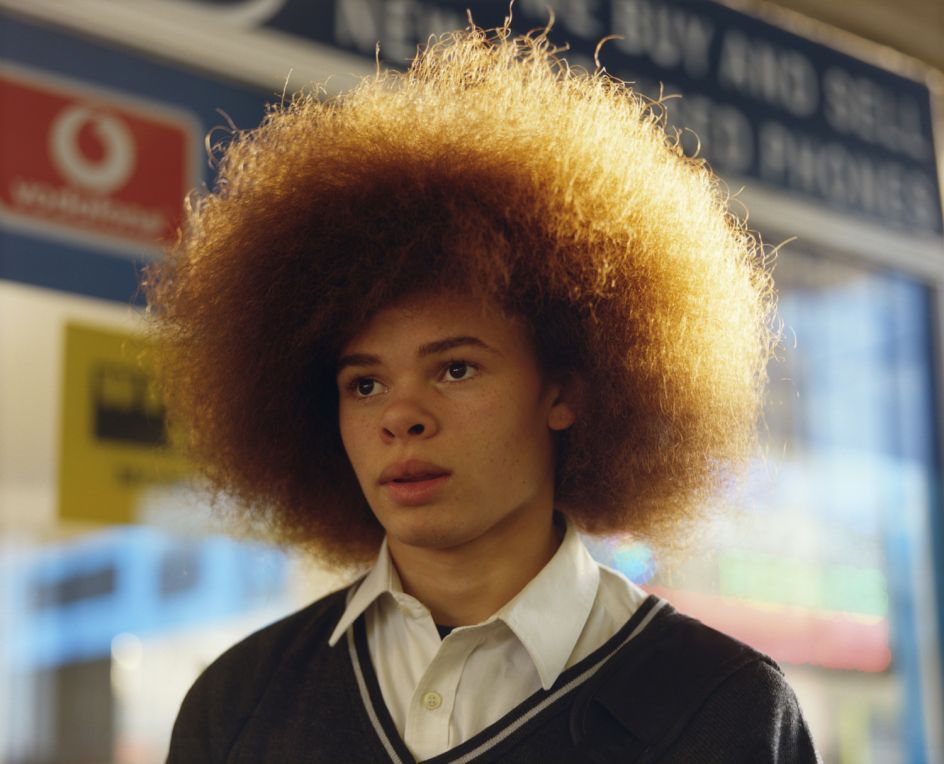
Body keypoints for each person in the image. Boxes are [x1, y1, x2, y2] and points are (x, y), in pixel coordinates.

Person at [148, 19, 819, 763]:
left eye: (456, 369)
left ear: (565, 392)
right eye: (364, 383)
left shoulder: (720, 709)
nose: (401, 416)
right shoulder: (237, 704)